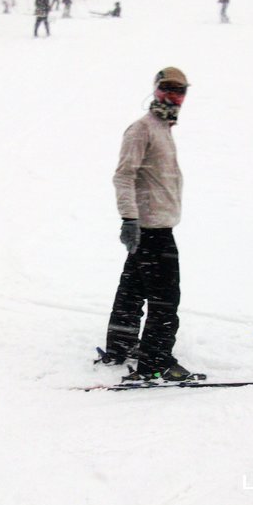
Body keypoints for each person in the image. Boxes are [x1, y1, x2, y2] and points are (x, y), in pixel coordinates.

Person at [105, 67, 192, 381]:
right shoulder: (142, 129)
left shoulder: (163, 128)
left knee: (132, 289)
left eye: (180, 90)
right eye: (167, 88)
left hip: (155, 226)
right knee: (165, 300)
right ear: (155, 89)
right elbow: (123, 175)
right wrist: (129, 219)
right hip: (151, 229)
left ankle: (121, 344)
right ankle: (156, 362)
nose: (173, 95)